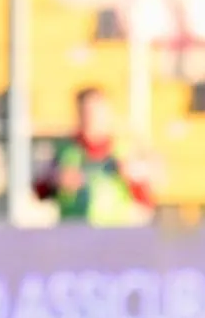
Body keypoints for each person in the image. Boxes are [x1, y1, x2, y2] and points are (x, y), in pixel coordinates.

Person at [33, 86, 153, 225]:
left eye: (96, 112)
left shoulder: (124, 151)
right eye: (85, 112)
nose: (91, 117)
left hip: (112, 233)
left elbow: (146, 200)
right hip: (74, 232)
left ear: (107, 112)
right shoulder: (63, 150)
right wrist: (56, 180)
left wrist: (130, 177)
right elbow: (39, 192)